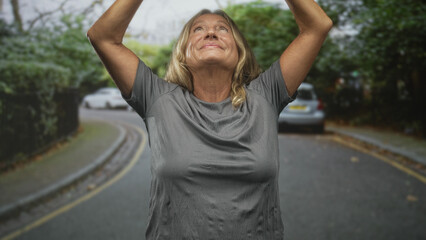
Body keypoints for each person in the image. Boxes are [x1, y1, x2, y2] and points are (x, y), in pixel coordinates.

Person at [87, 0, 332, 239]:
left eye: (222, 29)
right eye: (198, 29)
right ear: (183, 53)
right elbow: (103, 37)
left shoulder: (266, 94)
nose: (211, 33)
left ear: (240, 53)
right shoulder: (158, 99)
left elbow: (317, 26)